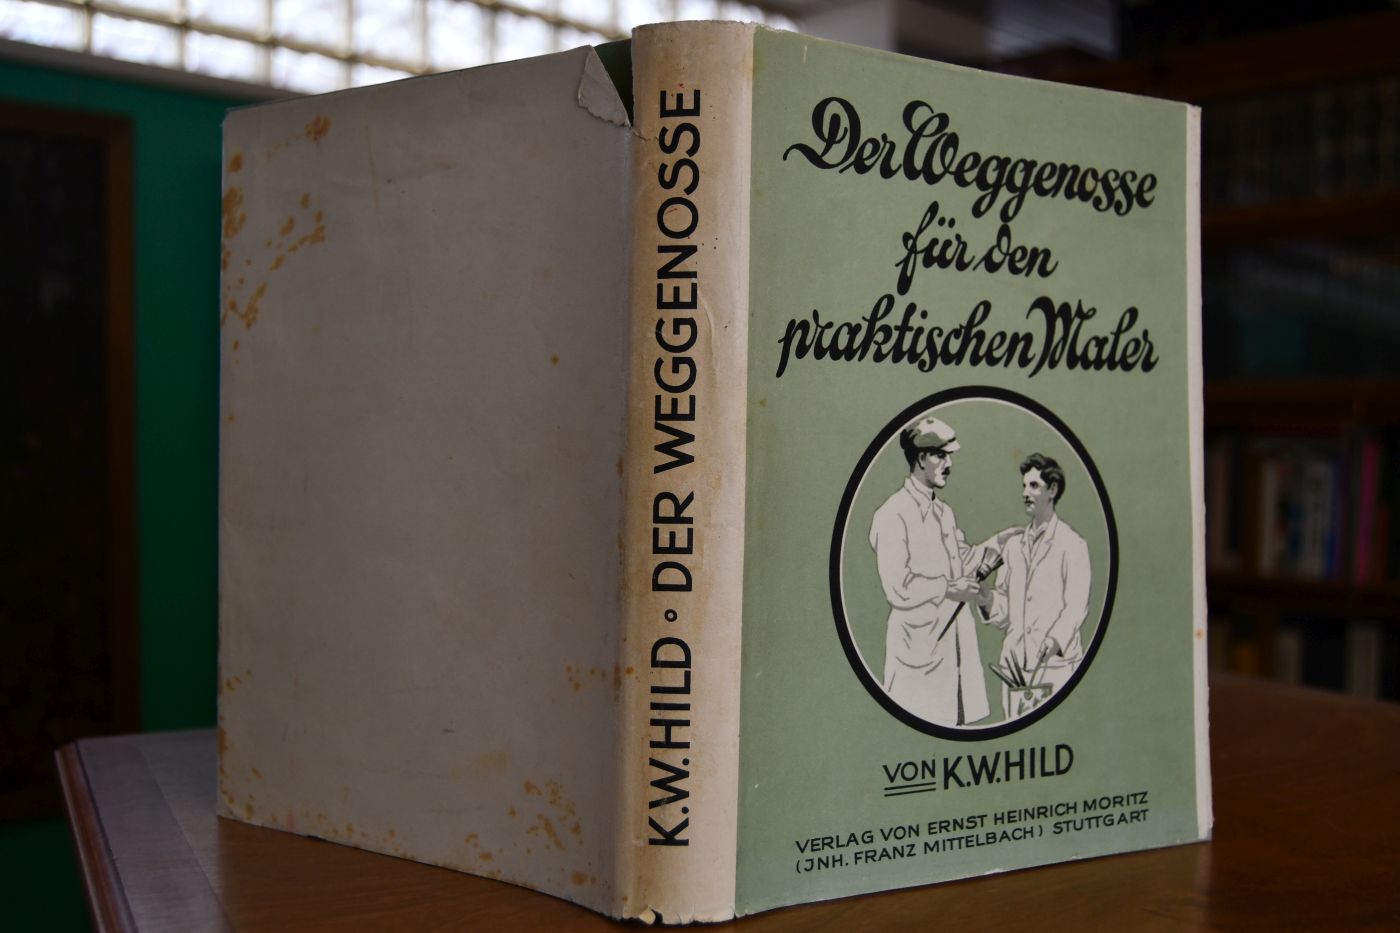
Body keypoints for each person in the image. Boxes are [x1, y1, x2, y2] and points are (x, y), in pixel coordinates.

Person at [868, 416, 1000, 726]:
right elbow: (898, 587)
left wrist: (999, 545)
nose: (949, 464)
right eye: (941, 455)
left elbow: (961, 559)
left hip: (954, 649)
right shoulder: (892, 514)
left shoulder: (944, 512)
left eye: (949, 455)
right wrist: (950, 588)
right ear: (921, 458)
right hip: (916, 653)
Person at [981, 453, 1091, 717]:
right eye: (1024, 486)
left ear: (1052, 490)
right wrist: (985, 599)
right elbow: (1005, 612)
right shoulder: (1012, 547)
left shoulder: (1072, 545)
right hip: (1014, 670)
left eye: (1033, 486)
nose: (1025, 493)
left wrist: (1054, 640)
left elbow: (1076, 606)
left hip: (1055, 669)